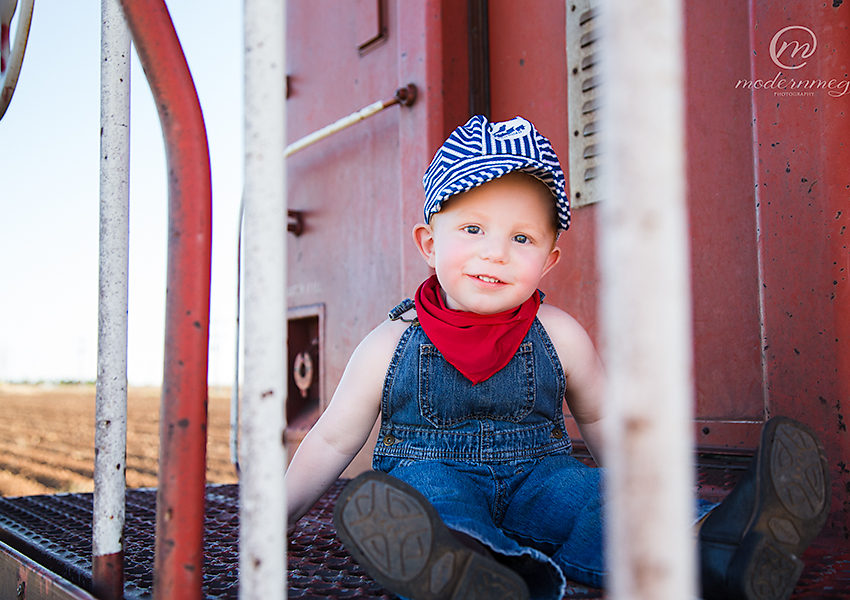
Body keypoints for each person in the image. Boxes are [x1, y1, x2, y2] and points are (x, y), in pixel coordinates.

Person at [285, 115, 830, 600]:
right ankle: (467, 573)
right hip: (434, 472)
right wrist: (277, 517)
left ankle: (724, 546)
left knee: (601, 500)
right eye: (472, 229)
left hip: (541, 478)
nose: (495, 251)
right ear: (429, 242)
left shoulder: (559, 334)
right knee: (426, 502)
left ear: (549, 260)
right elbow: (333, 436)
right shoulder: (388, 343)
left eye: (521, 238)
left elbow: (600, 417)